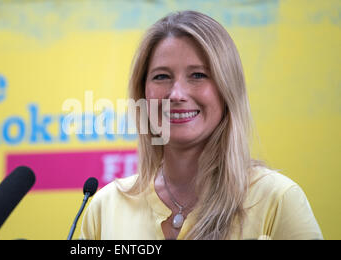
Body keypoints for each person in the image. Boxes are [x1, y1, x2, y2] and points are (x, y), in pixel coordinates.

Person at [80, 10, 323, 240]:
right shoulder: (105, 207)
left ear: (228, 88)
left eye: (198, 75)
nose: (176, 94)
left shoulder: (277, 200)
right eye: (161, 76)